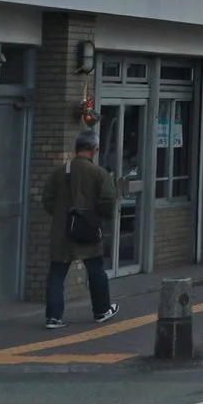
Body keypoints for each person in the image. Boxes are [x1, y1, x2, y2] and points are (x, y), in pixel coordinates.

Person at [41, 129, 118, 327]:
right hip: (88, 229)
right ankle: (101, 310)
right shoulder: (98, 173)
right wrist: (99, 215)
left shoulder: (60, 172)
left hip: (62, 231)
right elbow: (109, 198)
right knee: (95, 269)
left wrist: (60, 215)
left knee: (57, 272)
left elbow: (47, 198)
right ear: (94, 149)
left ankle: (53, 317)